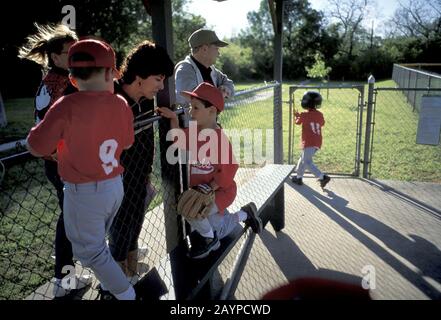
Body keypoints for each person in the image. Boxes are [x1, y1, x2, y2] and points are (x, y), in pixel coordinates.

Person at [26, 39, 137, 300]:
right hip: (114, 186)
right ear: (110, 72)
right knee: (98, 242)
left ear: (73, 79)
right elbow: (129, 142)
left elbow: (36, 145)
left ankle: (126, 294)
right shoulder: (120, 102)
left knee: (90, 251)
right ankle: (111, 287)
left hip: (84, 192)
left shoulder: (66, 105)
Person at [18, 23, 92, 298]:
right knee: (70, 218)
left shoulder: (54, 79)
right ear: (56, 56)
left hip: (58, 160)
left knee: (72, 216)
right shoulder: (61, 83)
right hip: (60, 161)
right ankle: (64, 276)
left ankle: (67, 271)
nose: (75, 53)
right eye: (70, 50)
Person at [157, 82, 262, 259]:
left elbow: (230, 169)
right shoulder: (194, 132)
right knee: (209, 221)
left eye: (195, 108)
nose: (190, 112)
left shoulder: (219, 140)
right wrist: (173, 119)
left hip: (222, 191)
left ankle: (209, 239)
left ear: (212, 111)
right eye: (191, 107)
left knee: (194, 212)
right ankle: (245, 213)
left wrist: (210, 187)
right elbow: (177, 140)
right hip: (203, 192)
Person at [108, 40, 174, 283]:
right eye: (158, 78)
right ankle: (114, 283)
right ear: (139, 76)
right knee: (120, 231)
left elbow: (146, 142)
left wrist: (145, 173)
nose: (161, 85)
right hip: (114, 181)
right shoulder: (111, 98)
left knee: (135, 224)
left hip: (138, 176)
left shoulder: (145, 100)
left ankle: (130, 272)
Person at [174, 28, 234, 105]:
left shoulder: (211, 69)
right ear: (205, 49)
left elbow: (229, 84)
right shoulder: (184, 69)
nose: (219, 53)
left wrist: (226, 89)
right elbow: (193, 97)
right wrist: (218, 94)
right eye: (216, 48)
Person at [291, 91, 331, 189]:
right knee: (303, 159)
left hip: (309, 142)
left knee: (307, 162)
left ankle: (322, 177)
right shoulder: (320, 114)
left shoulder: (304, 115)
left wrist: (297, 116)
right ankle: (298, 177)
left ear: (306, 103)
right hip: (317, 142)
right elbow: (322, 123)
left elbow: (297, 122)